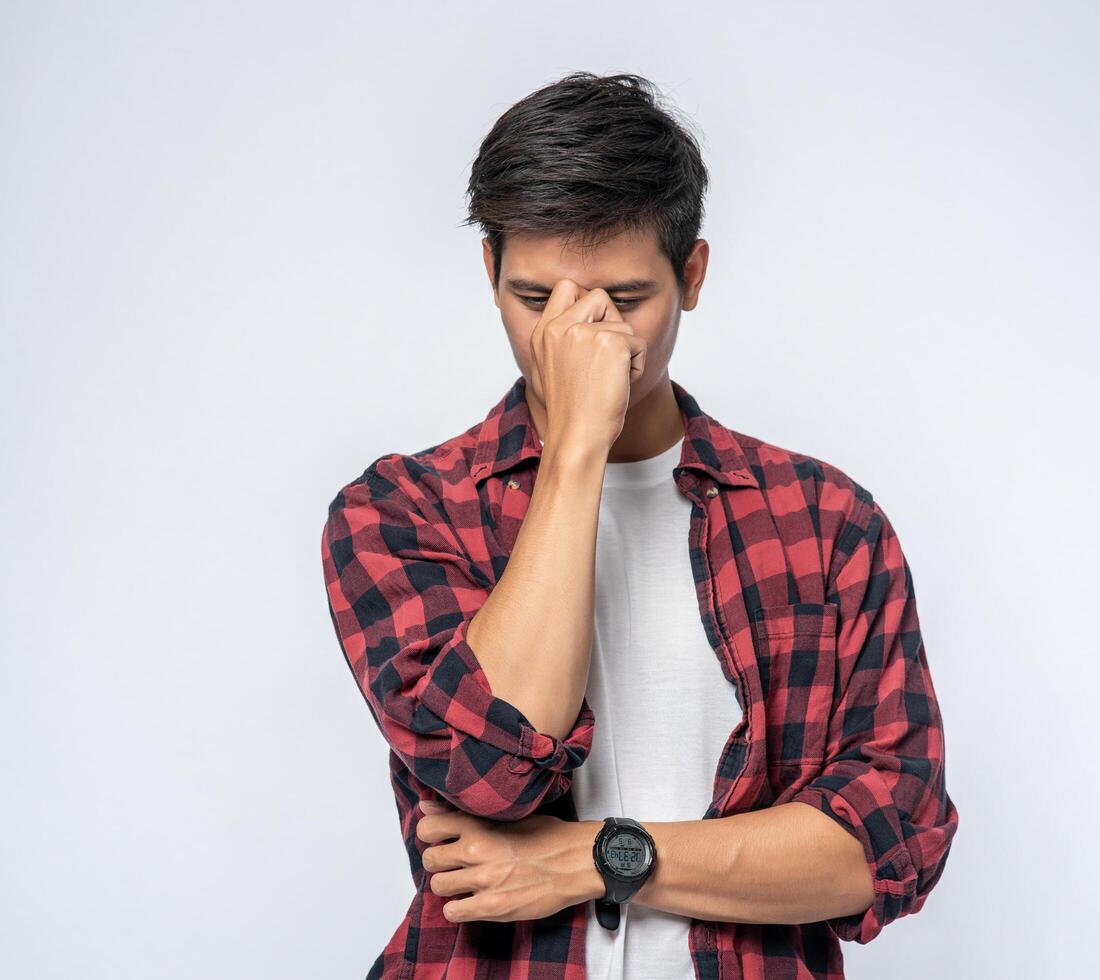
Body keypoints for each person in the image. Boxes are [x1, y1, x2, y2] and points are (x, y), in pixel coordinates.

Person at [321, 71, 959, 980]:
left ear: (691, 275)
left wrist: (597, 857)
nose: (579, 340)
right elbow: (490, 767)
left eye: (623, 301)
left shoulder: (826, 523)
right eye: (537, 302)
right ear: (489, 273)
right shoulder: (402, 512)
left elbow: (891, 837)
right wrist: (578, 450)